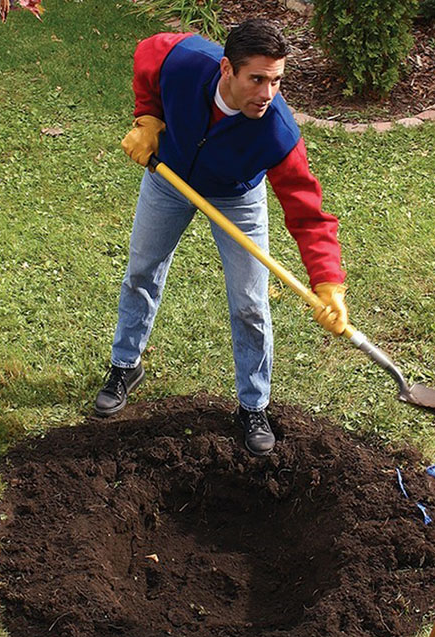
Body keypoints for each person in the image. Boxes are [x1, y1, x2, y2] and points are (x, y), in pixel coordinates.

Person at [94, 18, 349, 456]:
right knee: (142, 272)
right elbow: (146, 54)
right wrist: (148, 116)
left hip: (237, 195)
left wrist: (328, 282)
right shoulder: (186, 62)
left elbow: (308, 212)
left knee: (250, 303)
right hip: (169, 178)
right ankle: (125, 365)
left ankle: (253, 405)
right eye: (257, 79)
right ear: (227, 69)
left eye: (276, 81)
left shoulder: (278, 132)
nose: (268, 94)